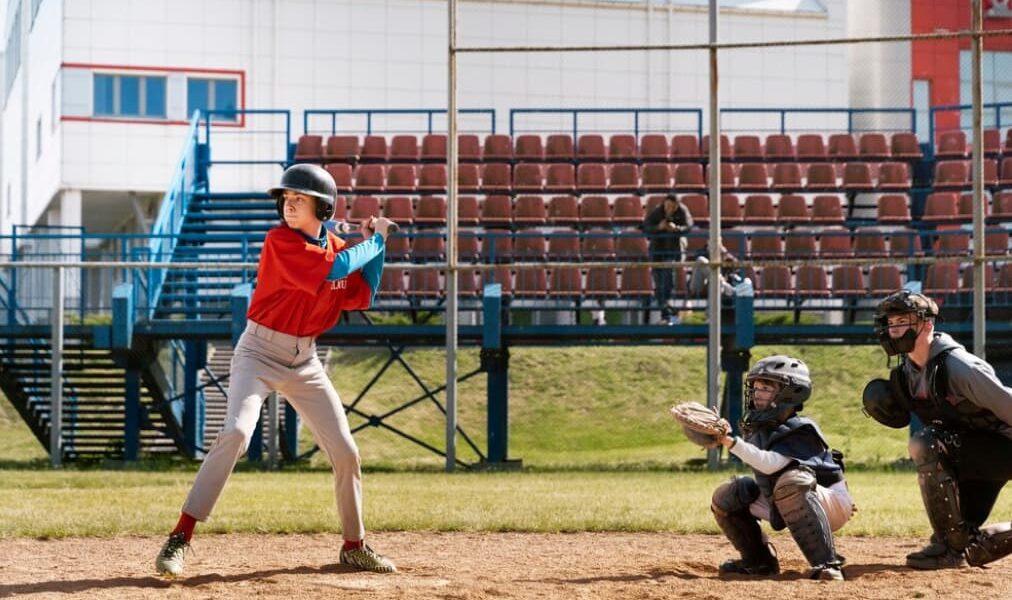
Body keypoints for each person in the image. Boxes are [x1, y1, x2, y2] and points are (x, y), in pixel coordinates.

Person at [155, 164, 398, 576]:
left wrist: (379, 247)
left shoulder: (339, 247)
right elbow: (337, 270)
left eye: (299, 200)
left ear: (323, 209)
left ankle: (354, 546)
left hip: (306, 362)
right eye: (286, 199)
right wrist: (373, 239)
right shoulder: (280, 241)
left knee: (346, 451)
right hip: (259, 353)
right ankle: (180, 537)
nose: (289, 205)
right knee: (235, 432)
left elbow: (364, 293)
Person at [862, 290, 1012, 569]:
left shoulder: (959, 367)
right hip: (974, 452)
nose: (894, 330)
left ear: (927, 324)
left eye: (902, 322)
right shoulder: (908, 372)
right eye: (891, 323)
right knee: (972, 546)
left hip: (1003, 448)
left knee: (927, 443)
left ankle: (947, 549)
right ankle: (954, 545)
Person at [711, 355, 854, 581]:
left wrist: (730, 442)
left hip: (830, 503)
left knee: (791, 482)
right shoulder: (761, 427)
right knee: (729, 494)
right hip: (785, 499)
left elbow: (771, 464)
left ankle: (827, 564)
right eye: (756, 387)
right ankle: (759, 562)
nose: (757, 393)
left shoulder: (801, 429)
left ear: (791, 393)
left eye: (766, 388)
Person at [643, 193, 693, 325]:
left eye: (672, 207)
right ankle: (666, 313)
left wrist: (676, 229)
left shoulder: (683, 211)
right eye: (667, 206)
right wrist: (658, 227)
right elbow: (645, 227)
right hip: (657, 251)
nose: (669, 209)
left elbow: (689, 227)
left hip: (673, 251)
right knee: (659, 284)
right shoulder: (657, 211)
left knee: (667, 281)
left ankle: (668, 314)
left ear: (677, 206)